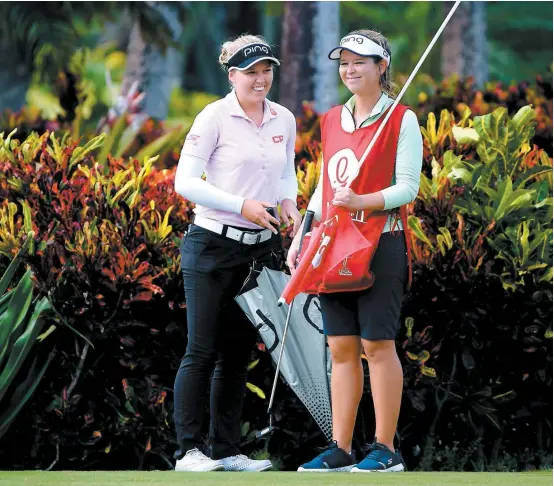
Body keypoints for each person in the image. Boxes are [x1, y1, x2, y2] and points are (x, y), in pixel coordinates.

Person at [287, 29, 423, 473]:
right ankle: (341, 448)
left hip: (381, 241)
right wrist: (301, 238)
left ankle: (385, 449)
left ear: (381, 67)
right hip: (333, 244)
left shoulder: (401, 119)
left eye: (359, 61)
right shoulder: (330, 120)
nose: (350, 69)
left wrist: (361, 202)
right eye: (344, 61)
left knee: (377, 344)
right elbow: (322, 188)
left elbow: (407, 187)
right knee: (340, 346)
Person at [173, 34, 301, 472]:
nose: (261, 79)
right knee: (201, 350)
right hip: (211, 244)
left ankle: (225, 451)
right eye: (251, 72)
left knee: (236, 355)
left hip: (259, 250)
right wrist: (241, 204)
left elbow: (287, 173)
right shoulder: (213, 117)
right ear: (233, 76)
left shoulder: (283, 117)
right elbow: (185, 182)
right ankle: (188, 451)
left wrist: (289, 205)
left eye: (266, 70)